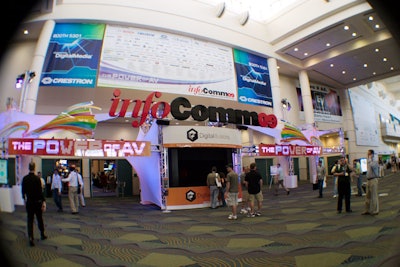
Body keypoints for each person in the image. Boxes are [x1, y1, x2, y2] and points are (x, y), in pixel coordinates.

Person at [21, 162, 47, 247]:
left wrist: (24, 200)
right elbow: (40, 192)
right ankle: (42, 234)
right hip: (37, 202)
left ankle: (31, 238)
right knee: (39, 219)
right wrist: (43, 201)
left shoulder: (25, 179)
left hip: (29, 202)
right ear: (34, 168)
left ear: (29, 168)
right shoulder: (37, 179)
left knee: (30, 220)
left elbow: (23, 191)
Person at [362, 149, 380, 215]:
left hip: (373, 180)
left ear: (372, 154)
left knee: (374, 196)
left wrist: (369, 159)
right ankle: (367, 210)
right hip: (368, 180)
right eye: (367, 154)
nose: (368, 155)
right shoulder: (369, 162)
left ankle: (375, 210)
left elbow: (373, 166)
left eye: (369, 154)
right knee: (367, 196)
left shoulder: (374, 161)